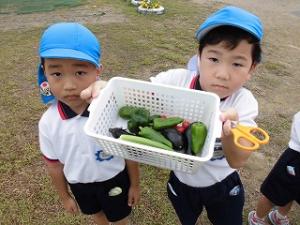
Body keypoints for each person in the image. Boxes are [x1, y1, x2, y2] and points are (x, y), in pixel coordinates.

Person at [82, 5, 264, 225]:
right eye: (214, 59)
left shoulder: (244, 103)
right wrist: (104, 86)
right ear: (199, 56)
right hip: (181, 181)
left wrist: (229, 132)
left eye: (237, 63)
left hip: (223, 184)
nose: (222, 74)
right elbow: (133, 93)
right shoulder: (177, 80)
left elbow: (237, 161)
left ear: (251, 68)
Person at [37, 22, 140, 225]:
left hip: (114, 178)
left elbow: (128, 150)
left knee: (120, 218)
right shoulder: (48, 123)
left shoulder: (112, 109)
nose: (69, 86)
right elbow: (54, 166)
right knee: (98, 216)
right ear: (45, 72)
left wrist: (135, 185)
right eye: (57, 74)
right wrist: (65, 196)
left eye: (80, 73)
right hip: (80, 185)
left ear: (97, 71)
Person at [248, 112, 300, 225]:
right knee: (273, 192)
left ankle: (279, 216)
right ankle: (257, 218)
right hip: (295, 159)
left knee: (294, 192)